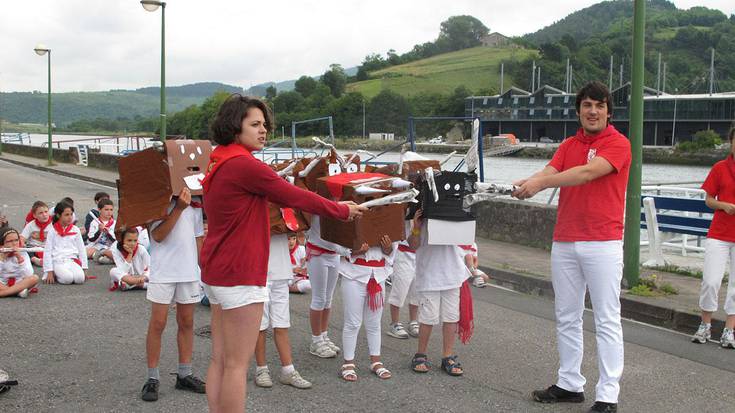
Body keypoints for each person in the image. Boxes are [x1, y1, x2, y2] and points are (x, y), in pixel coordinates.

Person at [199, 94, 365, 412]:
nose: (264, 131)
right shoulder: (245, 165)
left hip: (216, 269)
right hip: (241, 272)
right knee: (236, 365)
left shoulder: (218, 159)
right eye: (255, 124)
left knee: (220, 360)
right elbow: (295, 195)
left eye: (265, 125)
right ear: (236, 127)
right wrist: (341, 209)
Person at [513, 81, 631, 413]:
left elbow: (587, 173)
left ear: (609, 110)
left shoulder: (619, 144)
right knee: (567, 315)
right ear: (578, 110)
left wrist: (541, 183)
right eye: (587, 105)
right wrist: (528, 182)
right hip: (565, 240)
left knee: (607, 318)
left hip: (603, 242)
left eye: (600, 105)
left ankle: (608, 394)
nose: (593, 111)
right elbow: (551, 170)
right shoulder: (568, 144)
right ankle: (569, 383)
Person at [140, 188, 206, 402]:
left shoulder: (195, 200)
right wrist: (178, 208)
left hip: (188, 270)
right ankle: (152, 378)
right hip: (163, 270)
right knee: (158, 323)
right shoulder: (156, 199)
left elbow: (198, 238)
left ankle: (184, 374)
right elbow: (157, 235)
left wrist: (205, 267)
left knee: (187, 322)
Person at [407, 210, 469, 377]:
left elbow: (467, 240)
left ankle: (447, 356)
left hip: (452, 272)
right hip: (429, 273)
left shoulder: (456, 211)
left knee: (451, 317)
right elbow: (412, 245)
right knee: (428, 317)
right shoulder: (420, 215)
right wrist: (416, 228)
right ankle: (420, 354)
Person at [692, 127, 735, 348]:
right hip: (719, 233)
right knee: (710, 281)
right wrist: (724, 206)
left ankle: (730, 330)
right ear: (731, 142)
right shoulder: (720, 168)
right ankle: (705, 325)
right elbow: (708, 199)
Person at [253, 232, 312, 390]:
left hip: (281, 269)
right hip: (258, 268)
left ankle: (288, 370)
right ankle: (261, 369)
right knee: (261, 324)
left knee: (282, 323)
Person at [339, 237, 395, 382]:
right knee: (352, 323)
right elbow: (338, 245)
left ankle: (376, 361)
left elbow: (393, 248)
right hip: (354, 275)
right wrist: (356, 250)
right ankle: (348, 362)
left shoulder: (385, 217)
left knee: (374, 323)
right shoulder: (353, 215)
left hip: (378, 276)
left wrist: (387, 247)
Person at [386, 218, 420, 339]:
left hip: (420, 254)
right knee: (400, 288)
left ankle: (413, 321)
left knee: (417, 290)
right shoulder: (405, 208)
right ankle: (394, 323)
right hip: (403, 252)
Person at [42, 202, 89, 285]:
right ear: (58, 215)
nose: (70, 217)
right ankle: (56, 274)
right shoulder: (52, 231)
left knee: (80, 279)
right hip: (57, 261)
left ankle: (66, 273)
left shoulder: (75, 229)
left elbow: (81, 249)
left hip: (71, 260)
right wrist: (49, 271)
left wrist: (84, 268)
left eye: (71, 214)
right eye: (66, 215)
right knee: (68, 279)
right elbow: (47, 251)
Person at [0, 228, 39, 298]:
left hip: (20, 282)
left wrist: (19, 258)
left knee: (34, 278)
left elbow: (28, 274)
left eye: (16, 240)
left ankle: (4, 293)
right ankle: (17, 292)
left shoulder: (23, 253)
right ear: (2, 244)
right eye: (10, 241)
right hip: (3, 283)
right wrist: (2, 259)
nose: (14, 243)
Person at [109, 227, 150, 291]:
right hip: (127, 277)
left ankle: (133, 285)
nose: (133, 244)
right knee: (113, 271)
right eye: (129, 240)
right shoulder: (116, 250)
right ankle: (138, 284)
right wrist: (130, 254)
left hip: (142, 277)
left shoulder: (141, 248)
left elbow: (150, 267)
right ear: (122, 240)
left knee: (153, 272)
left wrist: (144, 276)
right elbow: (122, 270)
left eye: (135, 240)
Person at [20, 201, 52, 267]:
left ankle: (42, 259)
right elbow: (22, 238)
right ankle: (35, 260)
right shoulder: (31, 225)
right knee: (24, 251)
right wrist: (22, 243)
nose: (44, 215)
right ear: (34, 215)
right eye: (41, 213)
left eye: (46, 212)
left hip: (48, 247)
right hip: (33, 247)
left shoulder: (54, 224)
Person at [86, 198, 116, 264]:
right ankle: (99, 256)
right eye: (106, 210)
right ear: (99, 210)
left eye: (111, 210)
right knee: (85, 253)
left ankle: (101, 256)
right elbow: (91, 239)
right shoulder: (94, 222)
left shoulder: (115, 223)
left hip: (109, 247)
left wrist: (108, 233)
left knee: (114, 253)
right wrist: (99, 231)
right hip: (96, 246)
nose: (109, 212)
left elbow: (116, 240)